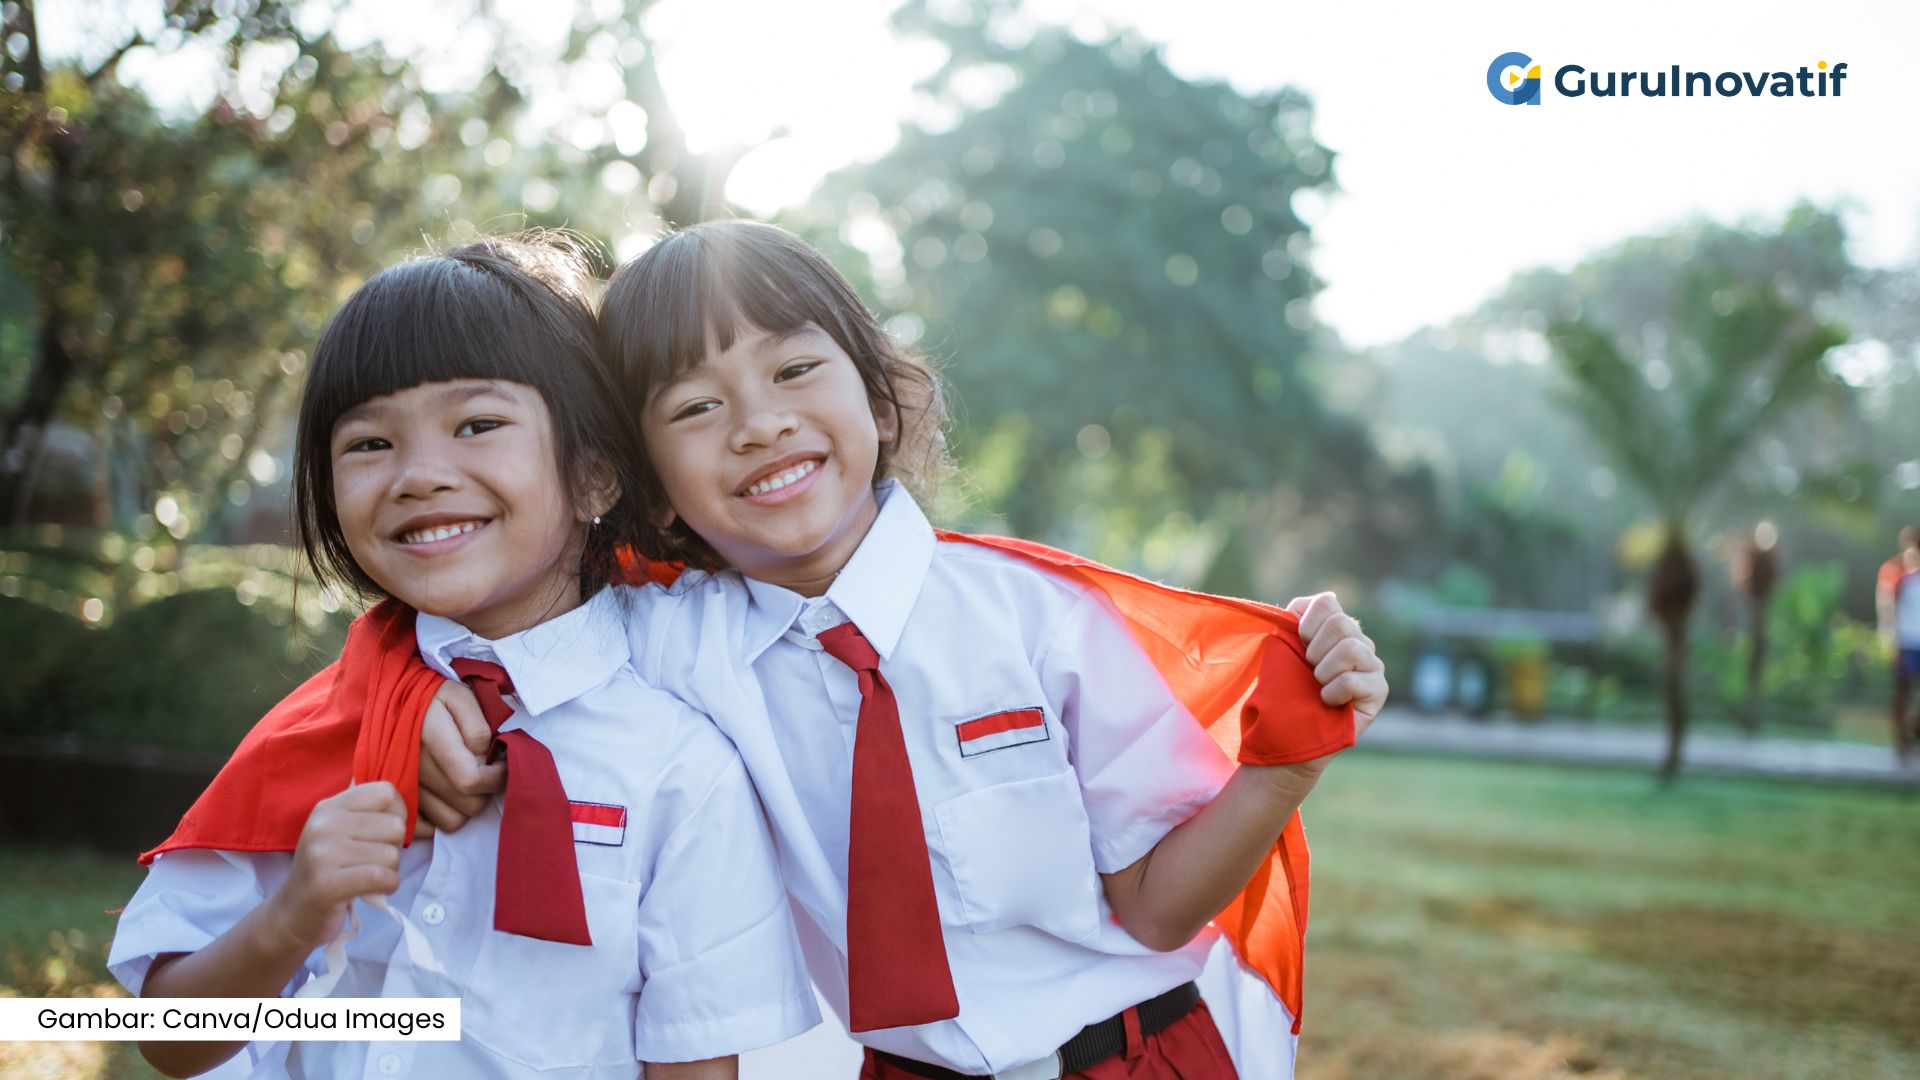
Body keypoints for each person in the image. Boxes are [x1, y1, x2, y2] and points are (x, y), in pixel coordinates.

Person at [412, 221, 1388, 1079]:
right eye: (695, 408)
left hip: (1133, 1057)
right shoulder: (665, 642)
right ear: (651, 484)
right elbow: (491, 624)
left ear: (880, 408)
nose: (760, 423)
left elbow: (1155, 909)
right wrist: (412, 703)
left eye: (795, 370)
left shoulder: (1040, 617)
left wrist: (1281, 775)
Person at [106, 237, 817, 1079]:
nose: (418, 475)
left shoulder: (681, 765)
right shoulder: (320, 733)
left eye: (477, 425)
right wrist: (293, 913)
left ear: (594, 475)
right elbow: (169, 1041)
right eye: (368, 444)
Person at [1879, 526, 1920, 762]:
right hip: (1906, 642)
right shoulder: (1900, 579)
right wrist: (1890, 638)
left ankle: (1912, 734)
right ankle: (1901, 742)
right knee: (1903, 693)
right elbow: (1888, 609)